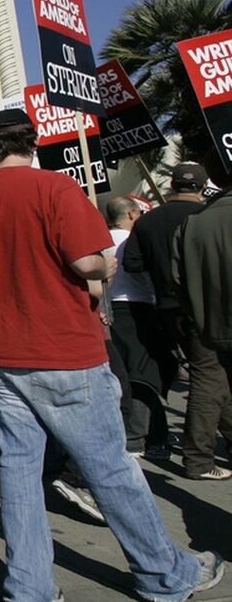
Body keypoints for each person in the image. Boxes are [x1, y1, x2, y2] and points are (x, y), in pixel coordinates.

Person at [0, 109, 223, 602]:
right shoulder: (56, 189)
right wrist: (106, 262)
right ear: (34, 142)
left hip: (1, 355)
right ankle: (165, 575)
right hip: (63, 349)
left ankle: (29, 586)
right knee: (109, 467)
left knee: (22, 471)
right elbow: (84, 262)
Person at [124, 162, 230, 480]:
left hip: (182, 310)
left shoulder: (152, 221)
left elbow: (141, 265)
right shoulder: (198, 217)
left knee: (211, 378)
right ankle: (197, 456)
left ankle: (200, 454)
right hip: (202, 309)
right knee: (210, 381)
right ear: (200, 186)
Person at [105, 196, 173, 460]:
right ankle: (138, 437)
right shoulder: (133, 240)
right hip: (136, 309)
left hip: (109, 311)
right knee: (141, 376)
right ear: (132, 214)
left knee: (125, 376)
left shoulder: (100, 238)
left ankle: (152, 433)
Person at [173, 150, 232, 450]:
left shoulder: (193, 224)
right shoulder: (193, 221)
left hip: (210, 327)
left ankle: (198, 456)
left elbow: (178, 280)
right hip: (209, 325)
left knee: (211, 386)